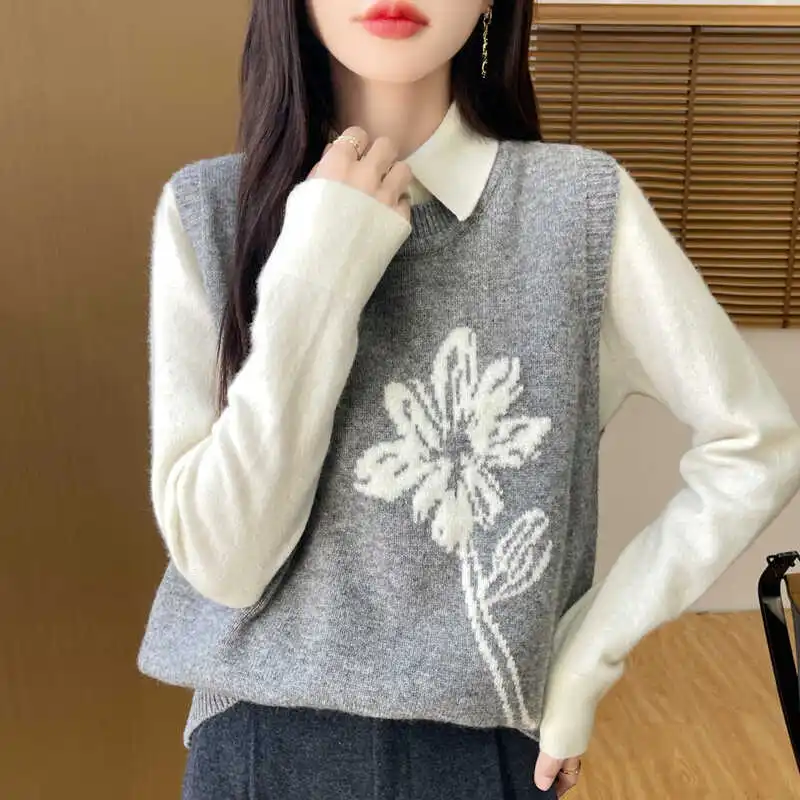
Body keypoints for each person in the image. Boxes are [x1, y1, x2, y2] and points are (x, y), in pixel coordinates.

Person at [137, 1, 800, 798]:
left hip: (483, 754)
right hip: (257, 750)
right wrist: (320, 262)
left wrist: (586, 656)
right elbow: (226, 566)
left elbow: (757, 446)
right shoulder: (209, 210)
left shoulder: (574, 210)